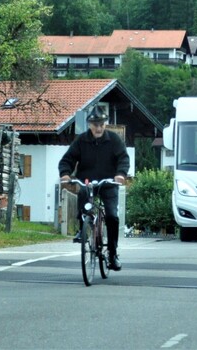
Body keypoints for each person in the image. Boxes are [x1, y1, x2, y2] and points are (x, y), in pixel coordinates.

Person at [58, 104, 128, 271]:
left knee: (112, 216)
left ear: (105, 124)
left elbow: (123, 158)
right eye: (95, 124)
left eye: (102, 124)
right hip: (88, 182)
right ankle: (83, 228)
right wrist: (65, 174)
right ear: (90, 124)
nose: (99, 127)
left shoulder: (114, 140)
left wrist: (120, 174)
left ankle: (112, 253)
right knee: (83, 195)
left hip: (109, 183)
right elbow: (67, 159)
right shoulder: (81, 141)